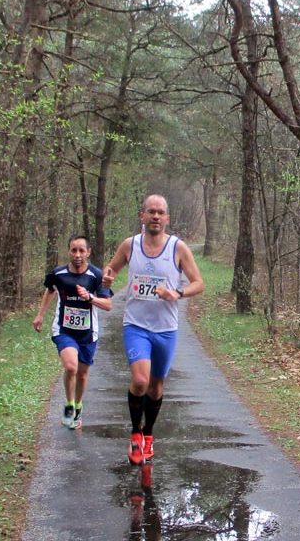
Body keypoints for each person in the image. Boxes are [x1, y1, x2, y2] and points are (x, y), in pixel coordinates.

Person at [103, 194, 204, 465]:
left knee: (156, 387)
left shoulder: (178, 248)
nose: (156, 216)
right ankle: (135, 434)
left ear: (167, 218)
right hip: (136, 325)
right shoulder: (130, 245)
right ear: (142, 216)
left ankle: (148, 434)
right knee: (140, 381)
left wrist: (178, 292)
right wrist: (107, 276)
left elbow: (199, 283)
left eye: (161, 212)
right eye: (151, 212)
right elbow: (110, 270)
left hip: (166, 329)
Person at [33, 235, 113, 429]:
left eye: (81, 251)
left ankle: (78, 405)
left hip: (87, 333)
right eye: (73, 250)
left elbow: (108, 305)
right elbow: (50, 290)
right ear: (68, 251)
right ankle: (69, 406)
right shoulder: (58, 273)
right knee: (70, 367)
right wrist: (40, 315)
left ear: (88, 252)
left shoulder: (96, 276)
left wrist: (90, 298)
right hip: (64, 330)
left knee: (83, 374)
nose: (77, 255)